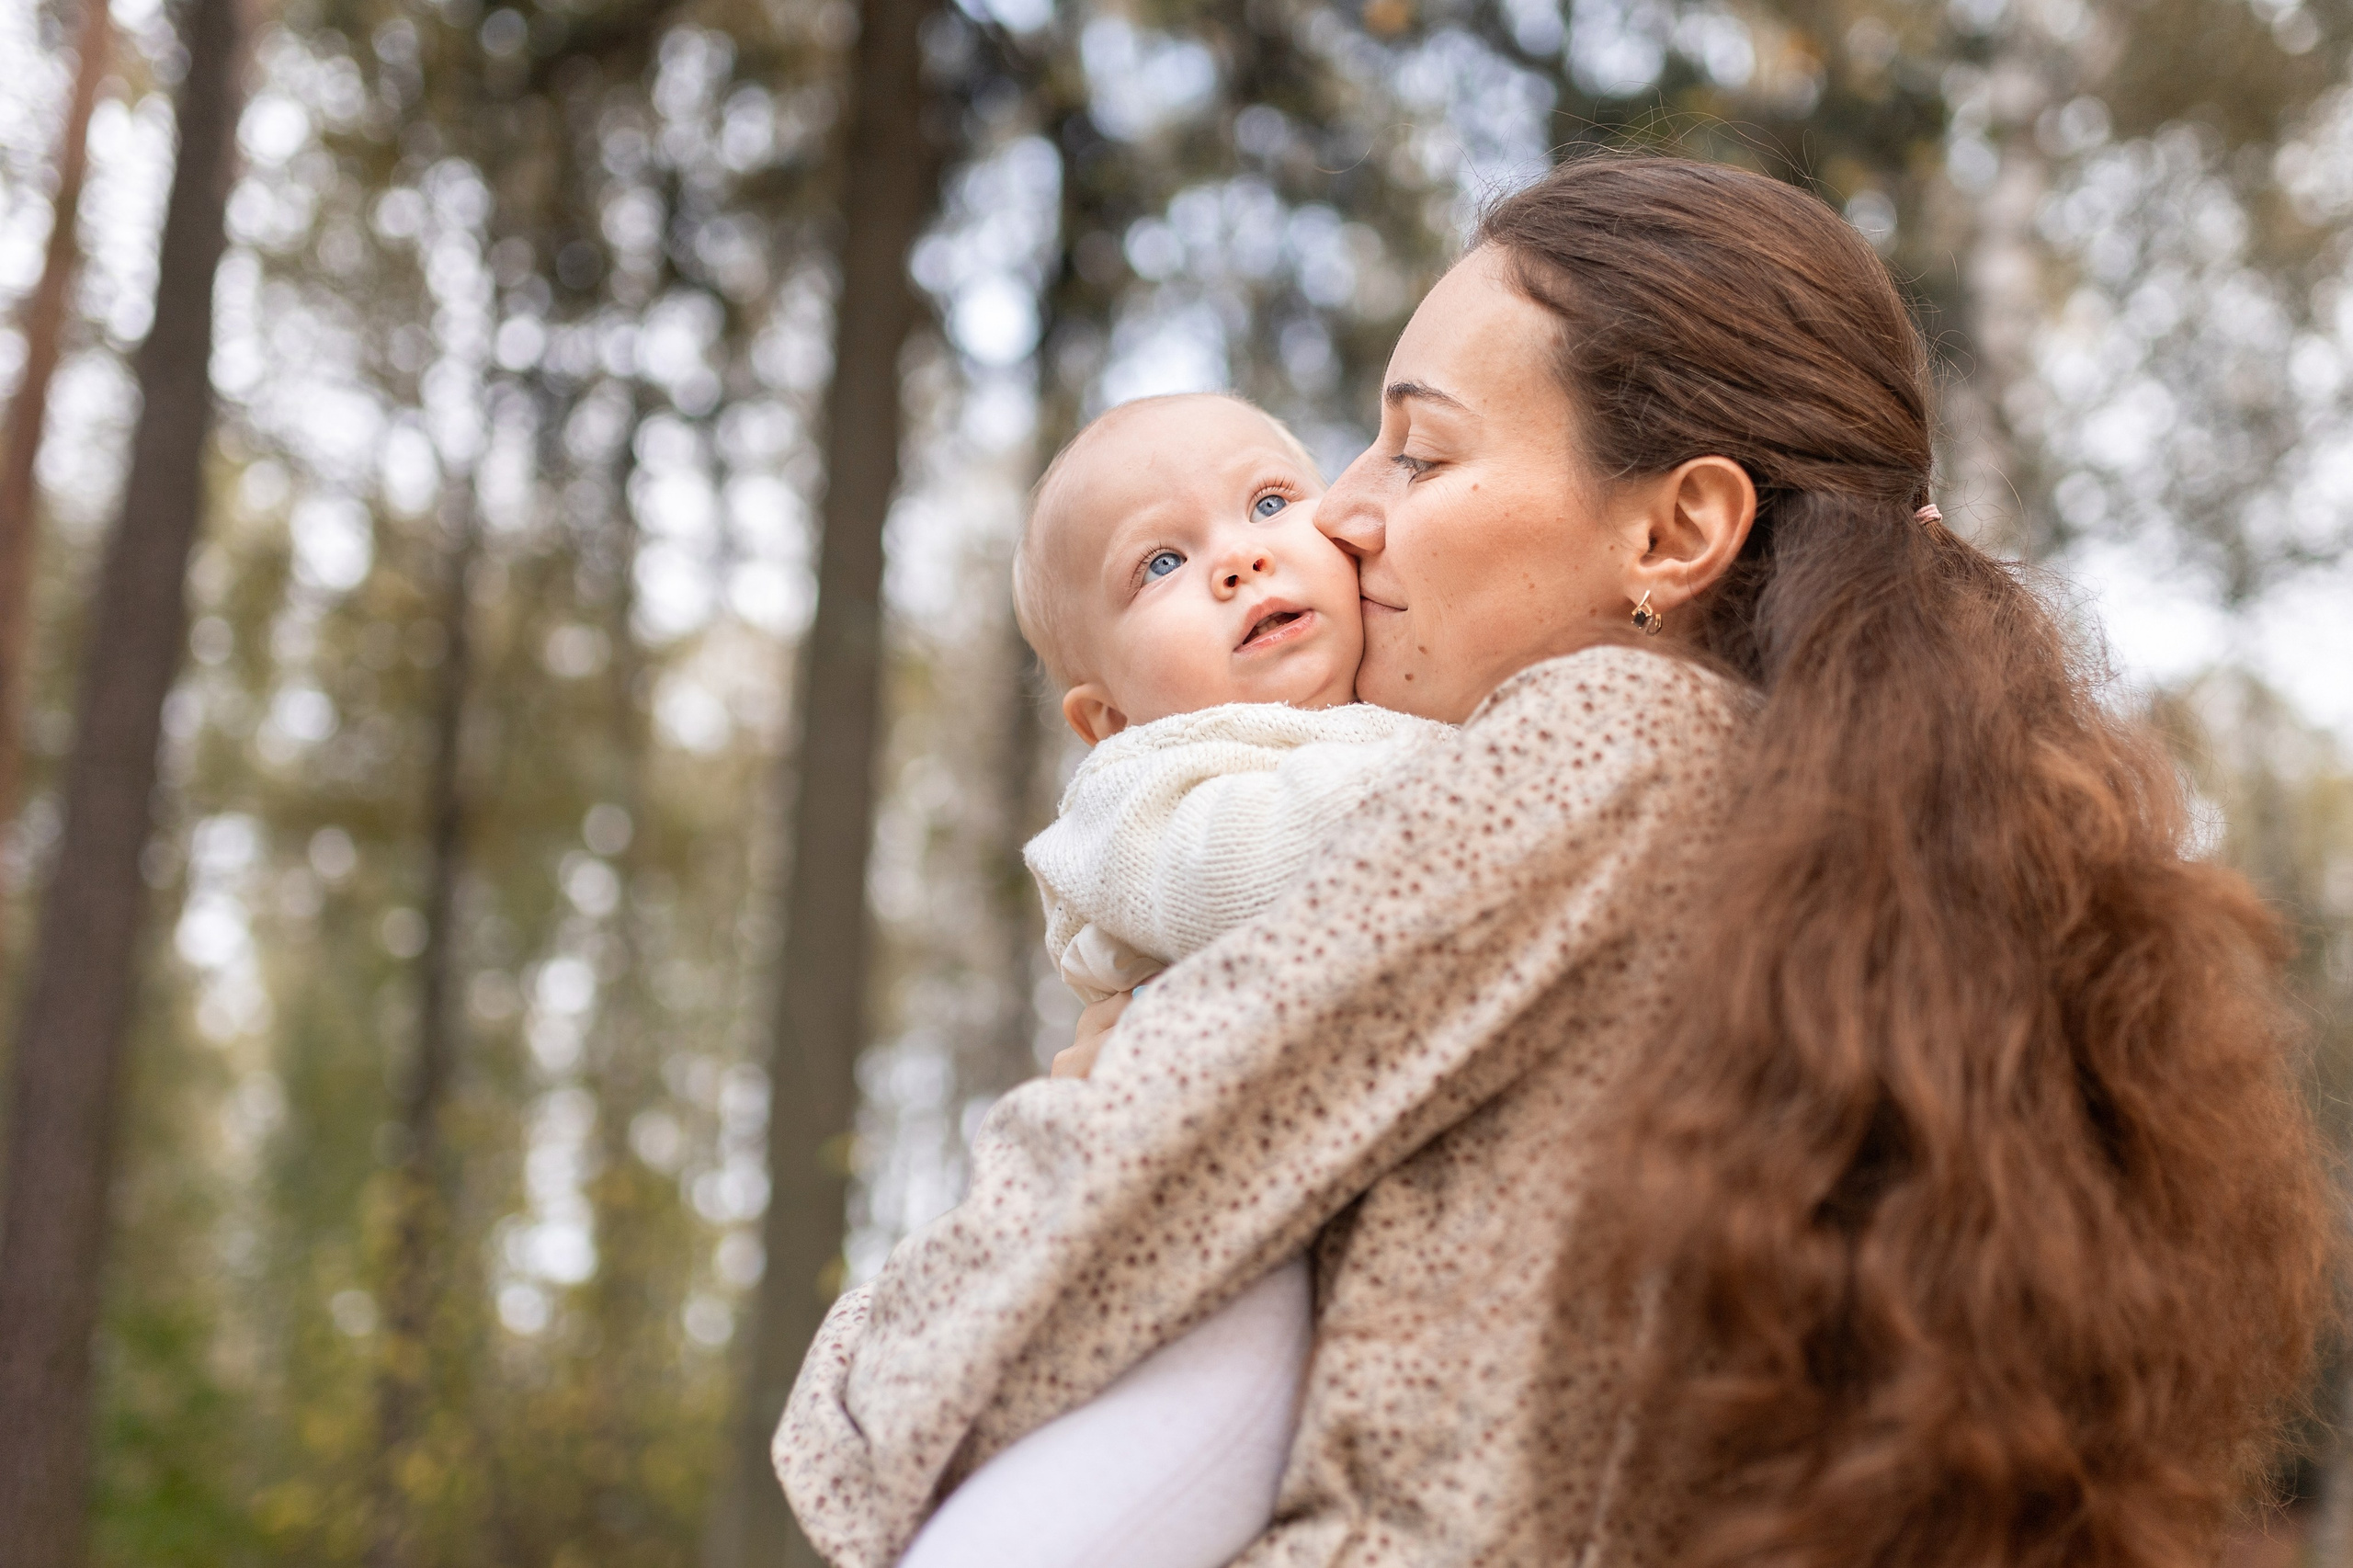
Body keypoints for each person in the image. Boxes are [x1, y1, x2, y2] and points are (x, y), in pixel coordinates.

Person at [778, 156, 2333, 1568]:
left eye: (1415, 453)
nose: (1338, 512)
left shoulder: (1602, 746)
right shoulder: (1829, 855)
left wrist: (849, 1389)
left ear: (1674, 536)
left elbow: (1085, 1250)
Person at [897, 392, 1442, 1568]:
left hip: (1360, 1206)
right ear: (1105, 714)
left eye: (1268, 502)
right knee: (1131, 1484)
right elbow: (1249, 869)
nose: (1240, 557)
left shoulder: (1400, 712)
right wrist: (1498, 752)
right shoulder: (1146, 784)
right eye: (1160, 560)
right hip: (1207, 1219)